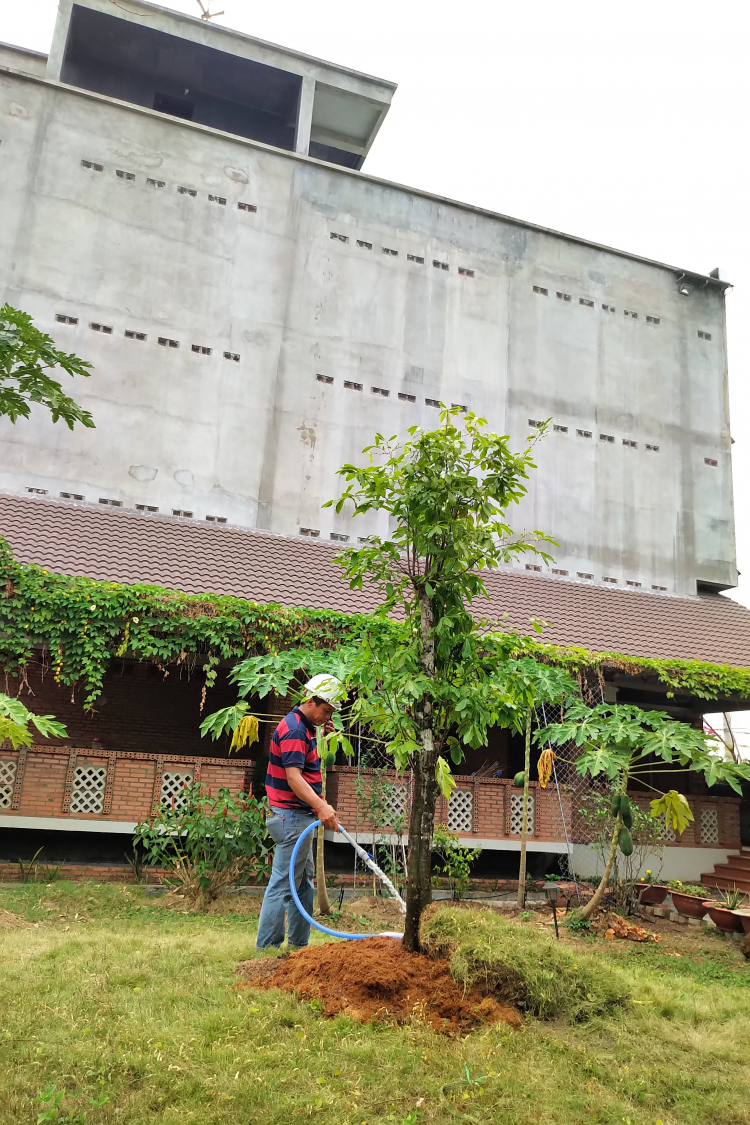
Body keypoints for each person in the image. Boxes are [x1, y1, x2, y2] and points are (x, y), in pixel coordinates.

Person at [256, 674, 343, 950]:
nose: (326, 717)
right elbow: (294, 778)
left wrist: (320, 732)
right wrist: (321, 806)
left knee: (303, 883)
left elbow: (304, 765)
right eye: (325, 710)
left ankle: (299, 945)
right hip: (292, 817)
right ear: (310, 701)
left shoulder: (303, 727)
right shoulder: (295, 730)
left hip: (297, 817)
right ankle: (267, 949)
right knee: (283, 885)